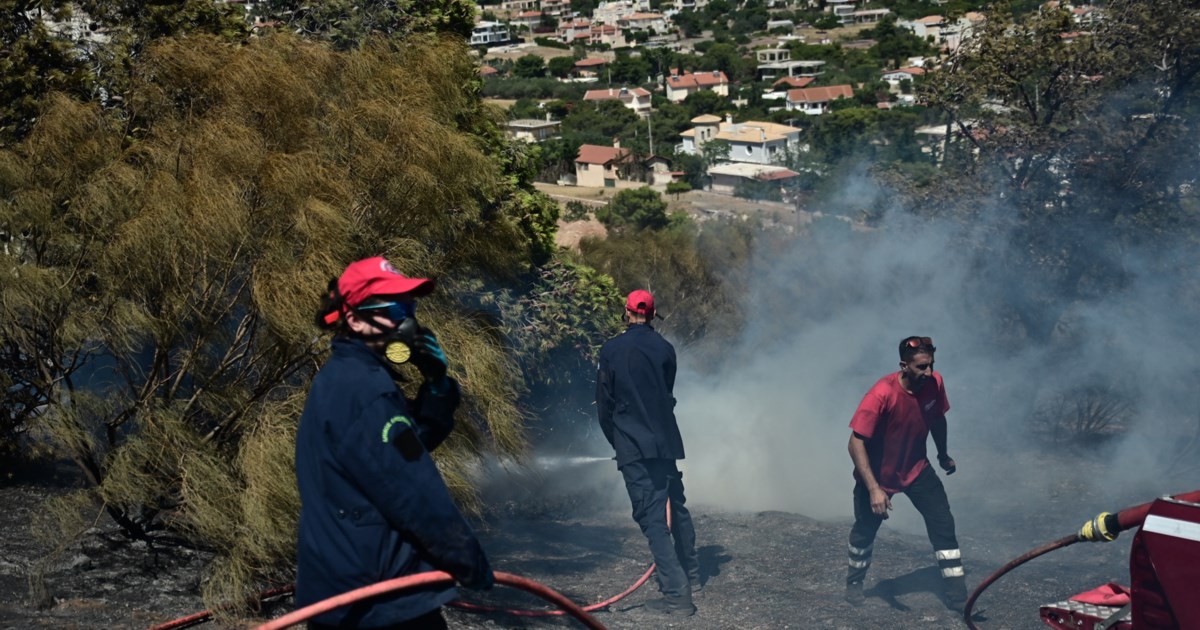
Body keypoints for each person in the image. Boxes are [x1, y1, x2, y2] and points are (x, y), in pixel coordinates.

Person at [295, 256, 493, 630]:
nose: (408, 323)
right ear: (354, 319)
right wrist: (468, 560)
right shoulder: (367, 392)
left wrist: (437, 386)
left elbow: (399, 452)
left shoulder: (347, 377)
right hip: (379, 600)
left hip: (344, 589)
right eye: (395, 311)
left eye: (410, 309)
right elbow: (414, 491)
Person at [596, 289, 700, 617]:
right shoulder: (666, 349)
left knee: (652, 517)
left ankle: (677, 594)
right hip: (665, 442)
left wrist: (618, 442)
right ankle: (691, 573)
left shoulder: (611, 350)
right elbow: (667, 395)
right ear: (653, 314)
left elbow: (605, 404)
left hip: (633, 444)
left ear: (626, 313)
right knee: (675, 505)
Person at [844, 336, 967, 611]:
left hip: (916, 469)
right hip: (878, 475)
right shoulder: (881, 394)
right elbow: (855, 443)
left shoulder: (935, 383)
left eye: (931, 365)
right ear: (904, 366)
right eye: (922, 367)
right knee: (864, 532)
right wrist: (874, 489)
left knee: (943, 524)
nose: (929, 372)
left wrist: (943, 454)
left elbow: (937, 419)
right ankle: (854, 583)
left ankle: (958, 598)